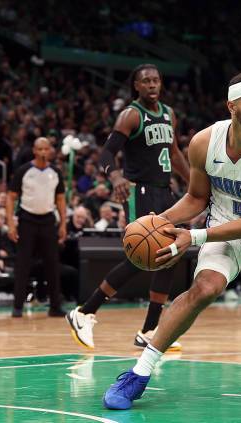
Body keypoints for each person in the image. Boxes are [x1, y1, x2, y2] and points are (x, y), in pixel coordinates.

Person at [101, 71, 241, 410]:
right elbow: (196, 198)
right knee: (202, 290)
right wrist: (158, 222)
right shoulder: (203, 142)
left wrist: (191, 236)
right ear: (232, 107)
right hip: (223, 227)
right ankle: (139, 372)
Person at [66, 64, 190, 350]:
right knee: (141, 255)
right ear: (136, 85)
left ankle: (149, 330)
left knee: (171, 255)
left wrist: (195, 182)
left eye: (156, 80)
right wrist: (115, 175)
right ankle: (85, 311)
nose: (152, 85)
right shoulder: (132, 114)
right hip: (140, 191)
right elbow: (107, 152)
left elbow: (173, 153)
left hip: (164, 191)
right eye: (145, 81)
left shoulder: (169, 114)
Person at [6, 137, 67, 318]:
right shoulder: (23, 171)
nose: (42, 152)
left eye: (45, 149)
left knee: (52, 264)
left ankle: (55, 306)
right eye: (39, 149)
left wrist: (63, 223)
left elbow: (61, 200)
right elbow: (11, 197)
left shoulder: (55, 172)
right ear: (34, 150)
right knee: (23, 264)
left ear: (50, 151)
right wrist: (10, 223)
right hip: (27, 220)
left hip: (48, 220)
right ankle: (18, 306)